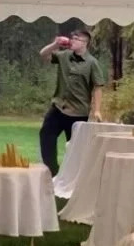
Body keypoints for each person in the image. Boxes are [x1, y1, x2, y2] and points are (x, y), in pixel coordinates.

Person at [38, 21, 105, 176]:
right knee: (46, 135)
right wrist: (55, 44)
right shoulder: (64, 56)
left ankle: (71, 178)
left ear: (85, 43)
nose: (72, 40)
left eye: (76, 39)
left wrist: (97, 110)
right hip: (59, 108)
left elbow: (98, 87)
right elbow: (43, 54)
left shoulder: (92, 63)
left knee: (74, 148)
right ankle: (52, 172)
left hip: (78, 113)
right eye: (72, 38)